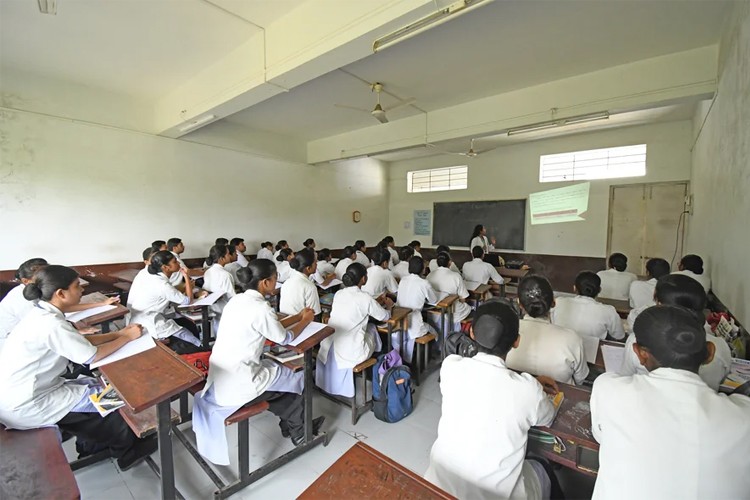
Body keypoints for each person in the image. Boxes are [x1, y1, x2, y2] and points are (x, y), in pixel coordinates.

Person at [0, 265, 158, 471]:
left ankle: (91, 445)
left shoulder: (43, 313)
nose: (82, 290)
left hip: (24, 393)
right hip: (28, 403)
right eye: (77, 286)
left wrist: (119, 335)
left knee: (94, 384)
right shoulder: (50, 324)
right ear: (61, 293)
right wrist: (127, 337)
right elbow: (92, 354)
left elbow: (81, 342)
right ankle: (126, 451)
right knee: (111, 400)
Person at [590, 305, 750, 500]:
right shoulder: (742, 418)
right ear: (709, 352)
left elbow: (600, 435)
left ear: (640, 354)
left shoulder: (608, 389)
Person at [192, 260, 324, 465]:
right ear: (264, 282)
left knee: (284, 385)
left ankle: (293, 425)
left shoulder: (237, 301)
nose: (276, 282)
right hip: (241, 379)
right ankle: (299, 431)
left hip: (223, 374)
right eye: (274, 279)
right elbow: (285, 338)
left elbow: (271, 326)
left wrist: (297, 316)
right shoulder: (261, 307)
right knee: (298, 376)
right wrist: (306, 321)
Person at [425, 301, 561, 499]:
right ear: (517, 342)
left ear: (471, 333)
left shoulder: (451, 366)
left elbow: (486, 385)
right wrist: (533, 386)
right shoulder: (527, 390)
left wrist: (528, 385)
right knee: (543, 468)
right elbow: (547, 418)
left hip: (438, 484)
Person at [620, 274, 731, 391]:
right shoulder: (721, 347)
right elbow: (721, 380)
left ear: (659, 305)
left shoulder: (638, 341)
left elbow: (625, 378)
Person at [0, 258, 119, 348]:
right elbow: (44, 330)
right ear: (26, 281)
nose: (47, 277)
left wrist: (103, 304)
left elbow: (66, 308)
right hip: (11, 343)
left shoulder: (40, 291)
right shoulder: (22, 300)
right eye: (41, 275)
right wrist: (76, 332)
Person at [316, 263, 392, 398]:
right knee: (373, 330)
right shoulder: (365, 298)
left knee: (367, 329)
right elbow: (384, 316)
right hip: (351, 351)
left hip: (330, 343)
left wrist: (375, 302)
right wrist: (389, 306)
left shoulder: (339, 293)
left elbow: (356, 306)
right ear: (363, 279)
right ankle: (378, 371)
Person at [506, 275, 589, 385]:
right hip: (560, 396)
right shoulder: (572, 339)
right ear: (553, 302)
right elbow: (580, 379)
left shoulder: (506, 331)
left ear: (519, 304)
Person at [127, 250, 206, 354]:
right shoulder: (162, 285)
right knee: (193, 340)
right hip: (151, 322)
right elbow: (188, 300)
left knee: (188, 326)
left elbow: (171, 292)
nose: (178, 263)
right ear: (165, 267)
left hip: (143, 317)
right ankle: (200, 352)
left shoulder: (153, 276)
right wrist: (186, 277)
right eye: (175, 262)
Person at [552, 271, 625, 341]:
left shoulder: (559, 302)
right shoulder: (608, 311)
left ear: (574, 288)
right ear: (599, 290)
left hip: (560, 348)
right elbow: (619, 336)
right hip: (593, 350)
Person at [395, 256, 438, 362]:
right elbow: (433, 300)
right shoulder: (424, 283)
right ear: (423, 269)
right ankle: (427, 359)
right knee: (435, 332)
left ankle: (415, 357)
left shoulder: (403, 280)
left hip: (399, 321)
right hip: (414, 324)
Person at [427, 252, 472, 328]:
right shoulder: (456, 276)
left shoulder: (430, 275)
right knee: (468, 307)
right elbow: (463, 298)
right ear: (450, 263)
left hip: (435, 311)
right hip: (452, 311)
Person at [280, 248, 321, 317]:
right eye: (315, 263)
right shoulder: (309, 286)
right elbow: (314, 314)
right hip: (301, 324)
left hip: (285, 321)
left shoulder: (286, 282)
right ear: (308, 268)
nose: (317, 265)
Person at [201, 244, 236, 319]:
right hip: (224, 310)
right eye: (227, 254)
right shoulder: (225, 275)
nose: (229, 256)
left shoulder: (208, 271)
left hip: (212, 309)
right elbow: (232, 298)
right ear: (221, 258)